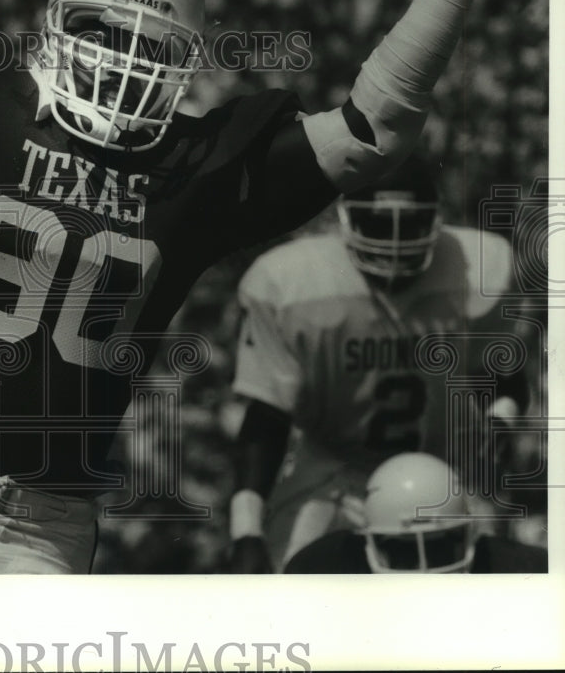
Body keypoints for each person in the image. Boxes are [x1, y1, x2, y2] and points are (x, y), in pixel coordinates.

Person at [0, 0, 510, 574]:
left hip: (39, 523)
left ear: (186, 59)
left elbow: (371, 131)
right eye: (105, 32)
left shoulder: (197, 169)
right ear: (56, 21)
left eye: (152, 45)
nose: (125, 59)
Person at [222, 154, 528, 573]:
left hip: (447, 469)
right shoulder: (292, 285)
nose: (395, 244)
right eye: (381, 225)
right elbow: (267, 415)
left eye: (411, 226)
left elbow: (503, 375)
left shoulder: (477, 268)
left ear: (436, 222)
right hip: (333, 469)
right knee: (287, 583)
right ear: (346, 219)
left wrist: (501, 421)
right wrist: (246, 532)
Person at [284, 453, 547, 573]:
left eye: (440, 548)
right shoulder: (324, 568)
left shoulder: (519, 569)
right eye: (404, 551)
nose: (423, 569)